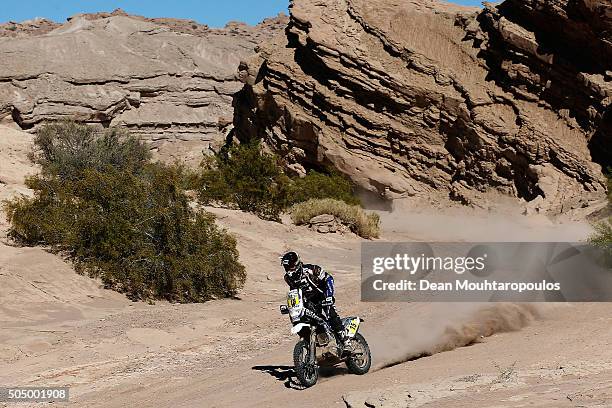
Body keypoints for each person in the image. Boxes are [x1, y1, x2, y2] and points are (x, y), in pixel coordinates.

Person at [280, 251, 348, 350]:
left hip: (322, 296)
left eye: (290, 266)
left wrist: (329, 295)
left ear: (296, 263)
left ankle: (346, 342)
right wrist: (292, 306)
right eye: (286, 267)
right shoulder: (288, 278)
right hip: (308, 301)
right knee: (305, 319)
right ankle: (316, 343)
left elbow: (328, 279)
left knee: (331, 314)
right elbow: (294, 291)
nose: (288, 270)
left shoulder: (310, 270)